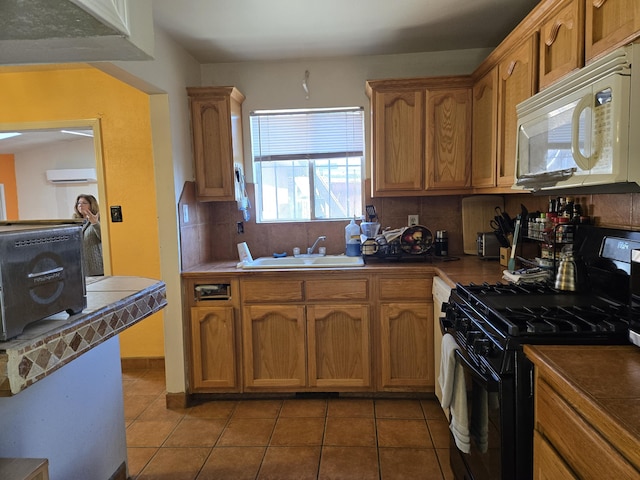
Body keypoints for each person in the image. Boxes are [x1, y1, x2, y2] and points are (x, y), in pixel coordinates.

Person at [73, 194, 104, 276]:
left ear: (92, 205)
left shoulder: (99, 219)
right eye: (78, 203)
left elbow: (104, 238)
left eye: (84, 203)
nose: (80, 205)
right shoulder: (75, 221)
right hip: (80, 267)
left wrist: (94, 223)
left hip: (96, 267)